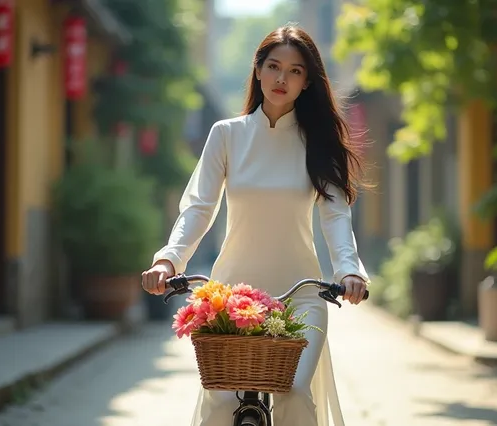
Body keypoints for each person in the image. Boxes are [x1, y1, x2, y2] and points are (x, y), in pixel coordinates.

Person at [141, 24, 370, 426]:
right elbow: (199, 207)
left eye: (295, 71)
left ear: (307, 81)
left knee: (295, 394)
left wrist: (349, 270)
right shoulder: (227, 135)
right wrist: (168, 261)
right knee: (220, 401)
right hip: (230, 295)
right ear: (258, 71)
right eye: (274, 66)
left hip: (302, 296)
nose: (282, 78)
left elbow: (335, 216)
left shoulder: (318, 143)